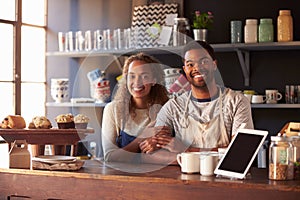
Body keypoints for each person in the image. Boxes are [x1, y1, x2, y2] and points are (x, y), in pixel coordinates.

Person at [139, 41, 254, 155]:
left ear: (214, 65)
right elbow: (158, 151)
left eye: (203, 61)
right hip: (184, 173)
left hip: (224, 173)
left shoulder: (236, 102)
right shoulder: (173, 107)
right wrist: (154, 144)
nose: (197, 68)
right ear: (185, 69)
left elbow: (241, 151)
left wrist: (187, 150)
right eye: (190, 64)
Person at [101, 52, 173, 163]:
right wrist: (143, 136)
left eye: (144, 76)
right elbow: (109, 157)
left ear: (154, 80)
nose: (137, 82)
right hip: (121, 177)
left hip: (158, 176)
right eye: (132, 76)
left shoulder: (167, 109)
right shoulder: (113, 110)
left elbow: (171, 151)